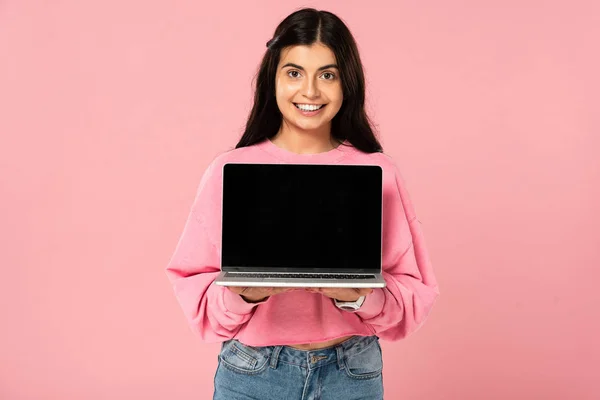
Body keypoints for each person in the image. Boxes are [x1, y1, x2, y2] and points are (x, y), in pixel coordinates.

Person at [165, 8, 439, 400]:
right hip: (252, 372)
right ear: (272, 79)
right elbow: (197, 293)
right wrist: (246, 294)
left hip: (352, 372)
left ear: (347, 83)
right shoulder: (231, 170)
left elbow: (413, 295)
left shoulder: (378, 171)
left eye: (327, 75)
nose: (310, 92)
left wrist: (358, 296)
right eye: (294, 73)